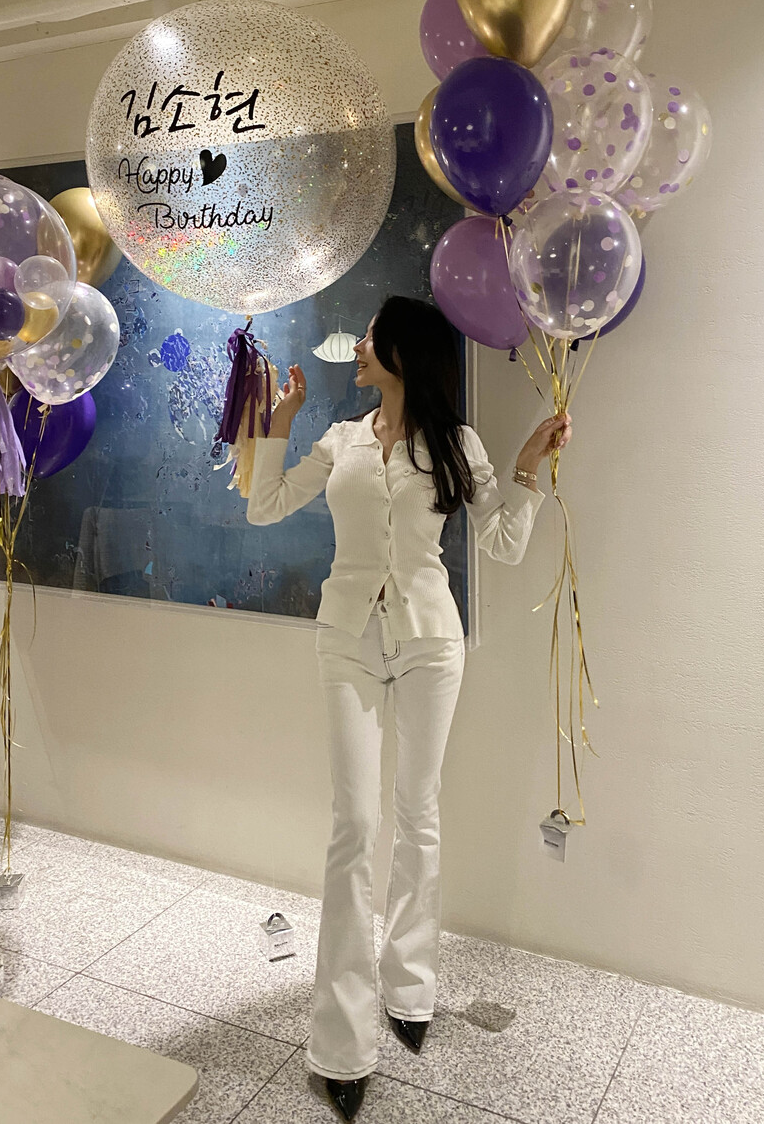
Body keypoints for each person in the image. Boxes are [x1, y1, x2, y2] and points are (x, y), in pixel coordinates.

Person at [244, 296, 571, 1121]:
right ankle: (340, 1042)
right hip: (347, 640)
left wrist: (528, 467)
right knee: (354, 825)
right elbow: (264, 501)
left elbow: (502, 542)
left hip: (430, 642)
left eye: (371, 336)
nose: (359, 345)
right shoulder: (341, 439)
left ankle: (410, 987)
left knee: (417, 812)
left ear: (403, 351)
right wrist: (281, 419)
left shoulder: (456, 444)